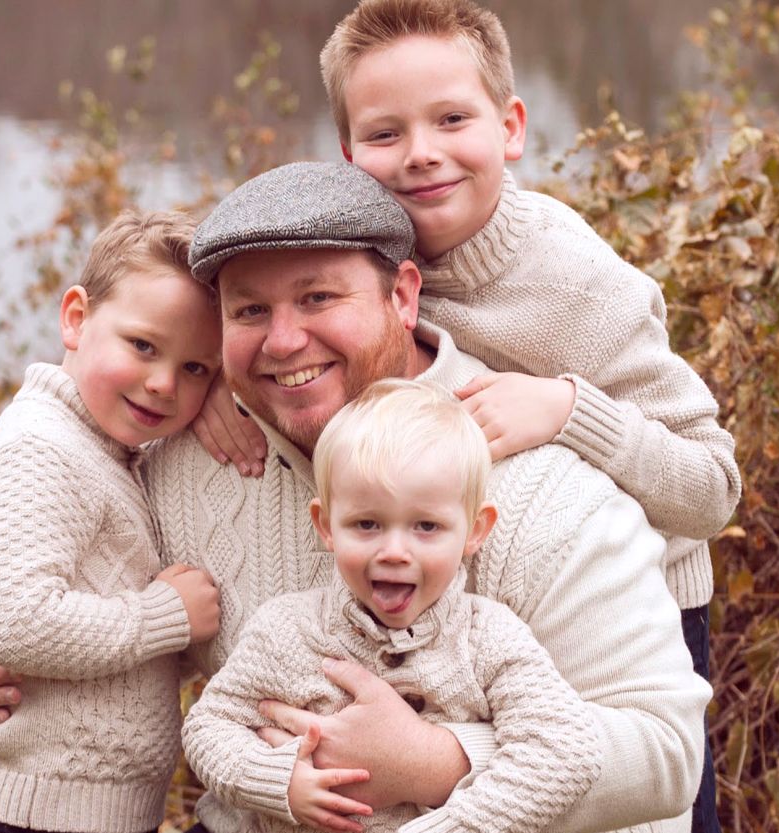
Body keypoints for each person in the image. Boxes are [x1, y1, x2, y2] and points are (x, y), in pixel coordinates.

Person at [0, 162, 711, 833]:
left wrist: (441, 762)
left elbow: (667, 753)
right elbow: (98, 636)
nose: (281, 341)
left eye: (317, 298)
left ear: (403, 295)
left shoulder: (538, 482)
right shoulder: (186, 470)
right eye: (248, 312)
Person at [191, 3, 741, 830]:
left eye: (452, 119)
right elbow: (223, 272)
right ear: (348, 159)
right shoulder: (364, 239)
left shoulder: (576, 282)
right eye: (385, 135)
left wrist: (570, 411)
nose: (421, 154)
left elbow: (710, 487)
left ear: (512, 126)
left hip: (647, 575)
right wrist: (208, 379)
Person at [182, 379, 602, 833]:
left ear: (475, 530)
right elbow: (210, 725)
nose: (395, 551)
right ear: (326, 525)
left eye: (426, 526)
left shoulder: (487, 640)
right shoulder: (290, 630)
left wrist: (456, 825)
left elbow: (566, 751)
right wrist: (279, 782)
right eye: (367, 524)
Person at [0, 209, 224, 833]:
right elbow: (20, 624)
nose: (162, 384)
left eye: (196, 369)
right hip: (43, 815)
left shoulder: (104, 451)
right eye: (143, 346)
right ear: (76, 318)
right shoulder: (38, 450)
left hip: (90, 812)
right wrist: (165, 616)